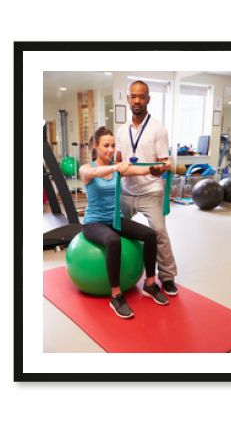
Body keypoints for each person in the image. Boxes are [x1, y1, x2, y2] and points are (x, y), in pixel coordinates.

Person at [79, 126, 170, 320]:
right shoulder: (86, 169)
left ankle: (150, 283)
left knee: (150, 234)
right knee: (113, 241)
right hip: (94, 223)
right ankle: (116, 296)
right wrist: (116, 166)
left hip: (115, 219)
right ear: (95, 146)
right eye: (105, 146)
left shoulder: (117, 169)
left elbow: (139, 169)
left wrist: (156, 168)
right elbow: (95, 173)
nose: (110, 150)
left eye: (113, 145)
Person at [115, 80, 178, 296]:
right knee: (115, 229)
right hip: (125, 191)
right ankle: (120, 270)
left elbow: (163, 162)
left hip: (151, 191)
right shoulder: (122, 130)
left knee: (159, 231)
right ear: (128, 99)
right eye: (134, 96)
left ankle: (167, 276)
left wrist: (159, 169)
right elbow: (117, 160)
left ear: (148, 99)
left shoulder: (158, 129)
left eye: (142, 96)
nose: (137, 100)